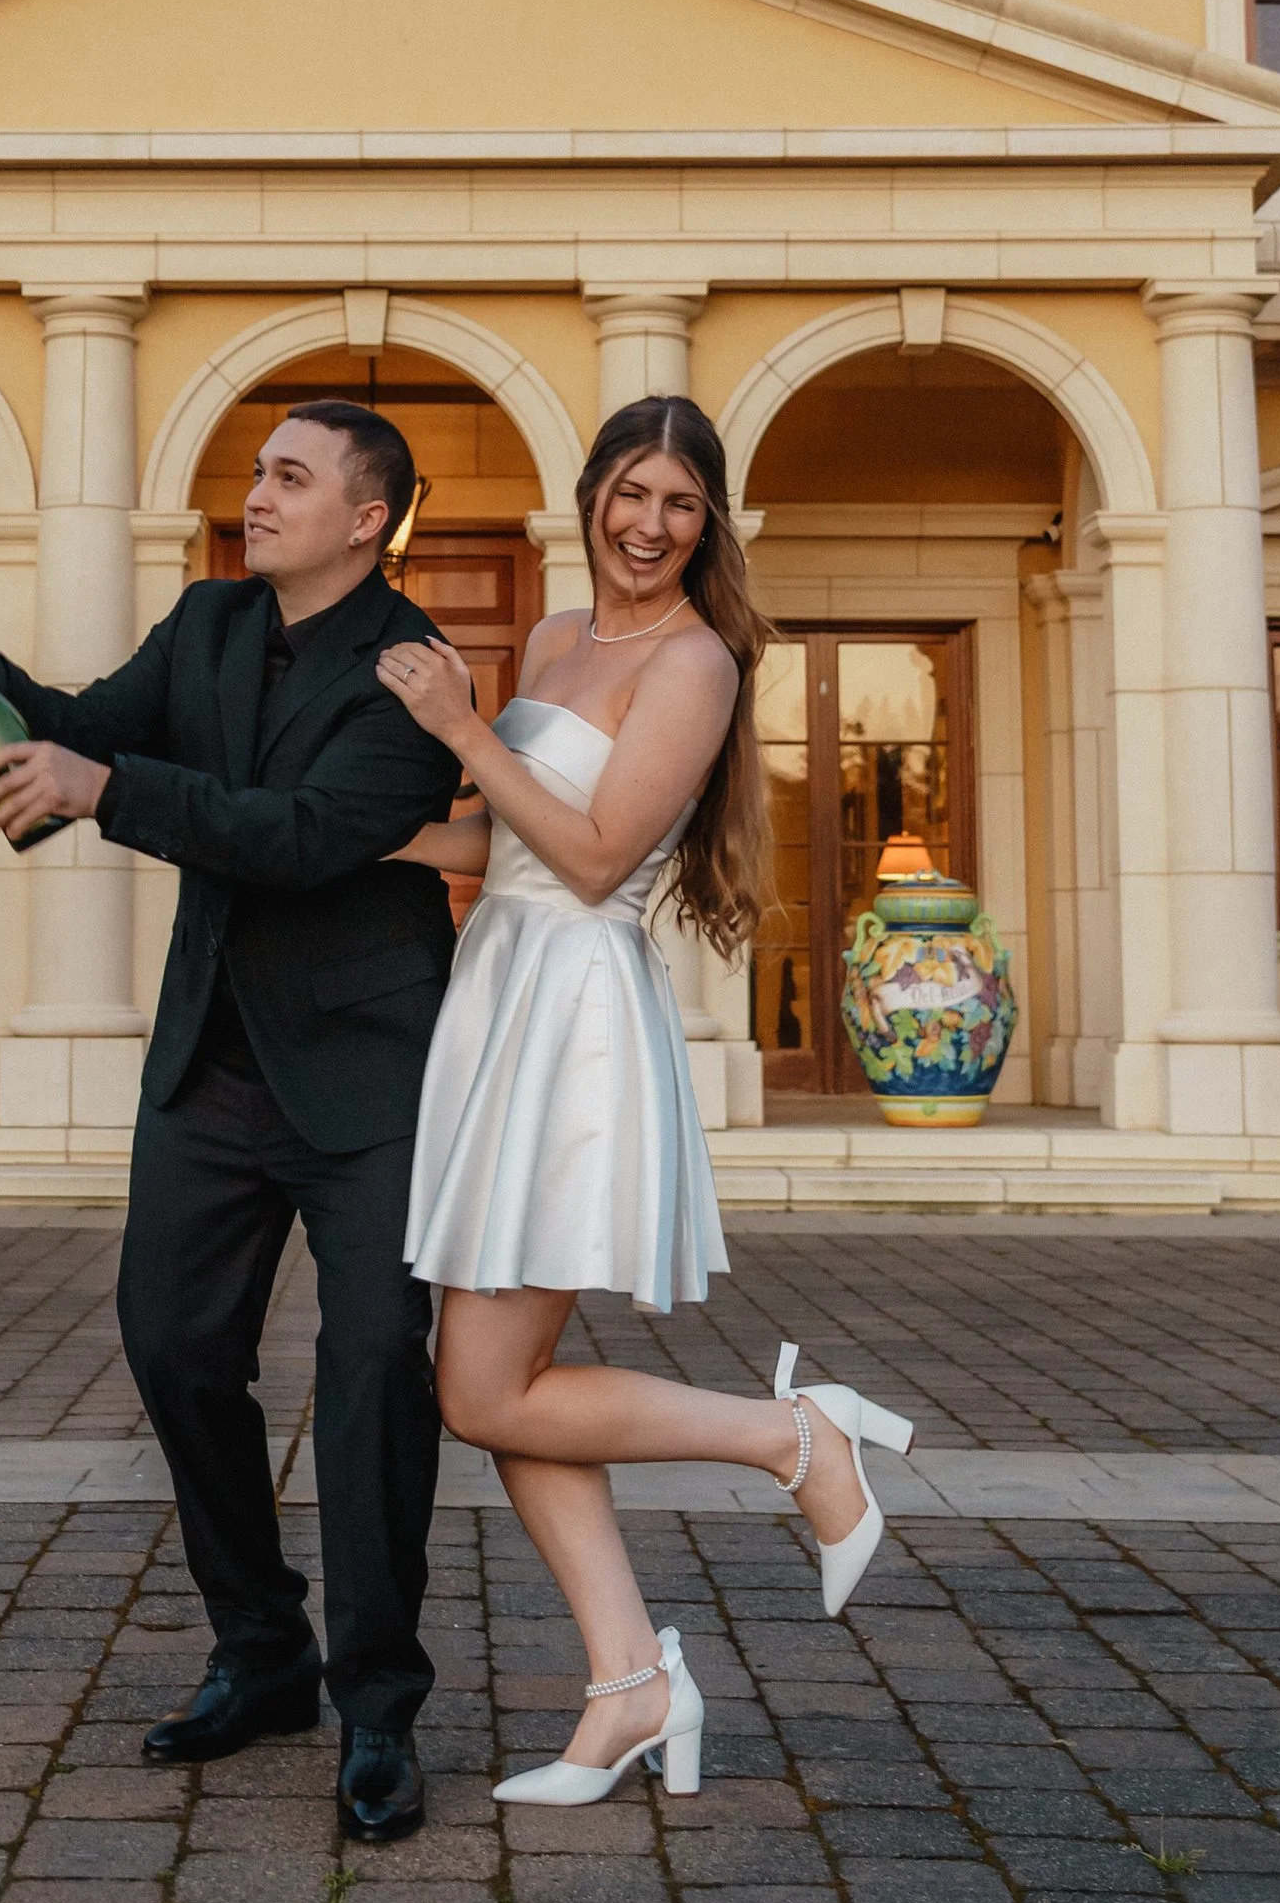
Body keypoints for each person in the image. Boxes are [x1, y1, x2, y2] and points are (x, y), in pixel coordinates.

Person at [0, 403, 465, 1844]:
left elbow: (298, 835)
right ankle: (263, 1649)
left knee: (376, 1369)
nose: (255, 492)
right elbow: (85, 728)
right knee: (171, 1339)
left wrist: (112, 791)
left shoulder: (418, 674)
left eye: (291, 475)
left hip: (366, 1076)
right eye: (258, 470)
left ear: (366, 516)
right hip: (214, 1060)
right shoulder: (209, 622)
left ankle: (381, 1710)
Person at [376, 394, 917, 1807]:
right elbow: (492, 839)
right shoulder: (559, 634)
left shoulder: (696, 662)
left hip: (573, 1019)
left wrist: (457, 723)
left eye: (679, 501)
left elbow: (604, 852)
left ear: (707, 520)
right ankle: (630, 1683)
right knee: (506, 1393)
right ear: (591, 492)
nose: (647, 522)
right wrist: (333, 834)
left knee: (481, 1384)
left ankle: (797, 1437)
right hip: (497, 992)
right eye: (630, 490)